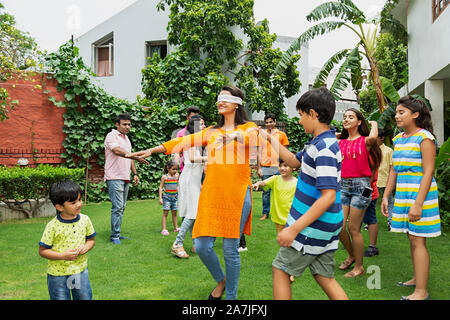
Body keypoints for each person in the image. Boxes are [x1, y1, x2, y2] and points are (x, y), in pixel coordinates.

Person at [128, 85, 258, 300]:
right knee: (201, 245)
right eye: (219, 98)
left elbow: (251, 137)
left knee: (230, 250)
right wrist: (152, 150)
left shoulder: (249, 127)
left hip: (236, 195)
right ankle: (222, 281)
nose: (220, 101)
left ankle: (230, 297)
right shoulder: (211, 132)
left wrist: (232, 135)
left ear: (237, 104)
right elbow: (182, 141)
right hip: (212, 193)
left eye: (226, 98)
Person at [258, 87, 347, 300]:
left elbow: (327, 196)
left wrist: (293, 229)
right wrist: (268, 137)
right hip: (326, 225)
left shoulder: (324, 147)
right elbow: (294, 161)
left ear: (313, 114)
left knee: (280, 270)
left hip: (313, 226)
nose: (299, 121)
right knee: (324, 276)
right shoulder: (317, 143)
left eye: (301, 115)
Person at [381, 96, 441, 300]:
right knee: (411, 237)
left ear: (415, 114)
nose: (396, 116)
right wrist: (386, 195)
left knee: (417, 239)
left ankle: (421, 292)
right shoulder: (399, 139)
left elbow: (429, 172)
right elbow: (394, 170)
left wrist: (418, 203)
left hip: (420, 195)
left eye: (401, 112)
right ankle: (417, 279)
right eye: (396, 112)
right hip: (404, 193)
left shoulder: (424, 138)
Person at [337, 108, 381, 278]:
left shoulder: (365, 141)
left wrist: (374, 124)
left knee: (353, 227)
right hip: (343, 185)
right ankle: (352, 255)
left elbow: (373, 137)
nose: (346, 119)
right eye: (345, 117)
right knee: (338, 226)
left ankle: (359, 267)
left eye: (351, 117)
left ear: (359, 121)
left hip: (362, 186)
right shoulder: (340, 141)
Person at [38, 180, 96, 300]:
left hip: (79, 271)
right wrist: (63, 256)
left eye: (79, 200)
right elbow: (42, 251)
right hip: (57, 275)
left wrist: (85, 247)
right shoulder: (52, 226)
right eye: (73, 202)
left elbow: (91, 240)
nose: (79, 204)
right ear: (59, 207)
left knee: (83, 297)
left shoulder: (85, 220)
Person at [104, 113, 147, 245]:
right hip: (114, 176)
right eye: (125, 124)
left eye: (129, 124)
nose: (127, 127)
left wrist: (135, 173)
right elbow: (117, 151)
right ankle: (115, 236)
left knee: (122, 207)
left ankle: (117, 233)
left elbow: (130, 157)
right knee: (117, 207)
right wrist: (134, 156)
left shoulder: (126, 139)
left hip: (124, 177)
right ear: (117, 124)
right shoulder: (111, 136)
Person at [171, 115, 207, 258]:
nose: (204, 127)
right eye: (202, 124)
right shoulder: (191, 140)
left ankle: (194, 244)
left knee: (193, 213)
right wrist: (211, 158)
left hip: (194, 179)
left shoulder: (198, 141)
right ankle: (177, 244)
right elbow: (192, 158)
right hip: (189, 179)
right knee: (192, 213)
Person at [257, 113, 290, 221]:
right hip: (265, 166)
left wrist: (285, 167)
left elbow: (285, 151)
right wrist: (259, 168)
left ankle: (281, 212)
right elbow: (258, 152)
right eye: (266, 122)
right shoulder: (261, 135)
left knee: (281, 190)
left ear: (275, 122)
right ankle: (265, 213)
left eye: (271, 122)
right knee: (266, 192)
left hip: (278, 167)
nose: (269, 124)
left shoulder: (281, 135)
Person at [252, 159, 297, 235]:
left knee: (291, 241)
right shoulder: (275, 179)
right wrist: (258, 183)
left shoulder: (297, 183)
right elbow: (263, 182)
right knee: (282, 241)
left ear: (294, 167)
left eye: (285, 166)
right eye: (280, 166)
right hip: (278, 219)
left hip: (291, 219)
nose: (282, 168)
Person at [376, 129, 394, 231]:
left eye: (376, 137)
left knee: (390, 201)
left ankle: (391, 222)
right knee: (370, 202)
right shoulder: (370, 149)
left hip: (386, 180)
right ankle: (370, 222)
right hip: (373, 181)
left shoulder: (389, 151)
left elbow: (392, 167)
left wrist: (391, 182)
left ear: (382, 138)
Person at [173, 106, 200, 172]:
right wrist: (176, 167)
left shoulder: (202, 132)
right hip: (186, 168)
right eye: (192, 117)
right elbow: (177, 152)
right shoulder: (181, 133)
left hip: (201, 169)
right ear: (187, 117)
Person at [362, 162, 379, 257]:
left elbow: (371, 173)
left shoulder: (371, 151)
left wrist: (365, 192)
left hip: (368, 192)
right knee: (357, 218)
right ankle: (355, 242)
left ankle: (373, 247)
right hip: (358, 191)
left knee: (370, 219)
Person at [159, 160, 180, 236]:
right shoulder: (165, 177)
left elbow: (177, 185)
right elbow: (161, 187)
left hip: (174, 198)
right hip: (167, 198)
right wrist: (160, 198)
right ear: (168, 168)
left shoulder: (177, 176)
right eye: (173, 169)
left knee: (174, 213)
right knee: (165, 213)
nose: (175, 171)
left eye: (176, 169)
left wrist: (179, 194)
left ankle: (176, 228)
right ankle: (164, 229)